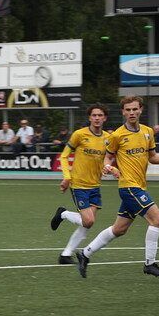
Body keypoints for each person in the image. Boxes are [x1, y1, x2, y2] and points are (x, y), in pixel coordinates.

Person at [76, 95, 159, 278]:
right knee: (157, 220)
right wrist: (108, 166)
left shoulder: (147, 132)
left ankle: (85, 253)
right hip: (128, 187)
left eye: (134, 109)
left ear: (140, 110)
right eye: (127, 110)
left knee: (119, 229)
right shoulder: (117, 135)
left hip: (140, 186)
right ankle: (150, 264)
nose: (131, 112)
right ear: (123, 112)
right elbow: (108, 157)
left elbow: (152, 157)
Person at [50, 105, 111, 265]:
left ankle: (65, 255)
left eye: (100, 115)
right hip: (79, 184)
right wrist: (67, 177)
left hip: (95, 185)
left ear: (104, 118)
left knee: (87, 225)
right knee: (88, 221)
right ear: (89, 117)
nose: (97, 118)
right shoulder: (79, 134)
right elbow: (64, 156)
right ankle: (63, 214)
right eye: (94, 115)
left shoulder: (107, 138)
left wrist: (108, 167)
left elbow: (107, 159)